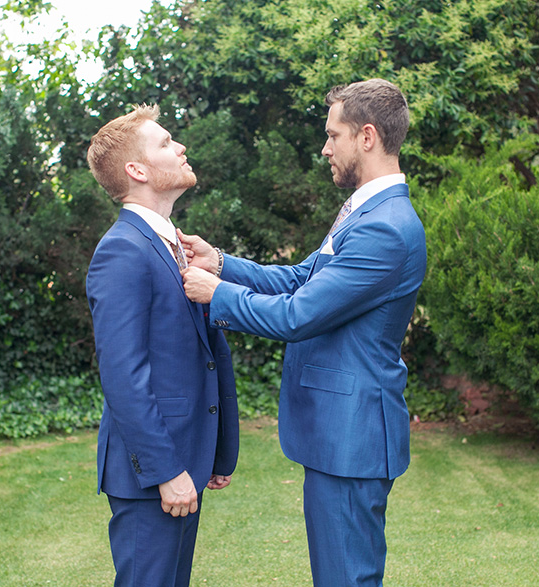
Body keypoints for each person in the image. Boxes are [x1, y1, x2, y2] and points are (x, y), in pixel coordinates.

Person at [180, 79, 426, 587]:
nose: (325, 147)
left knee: (346, 580)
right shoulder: (366, 212)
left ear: (367, 137)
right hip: (341, 433)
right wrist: (222, 263)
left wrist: (215, 293)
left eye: (333, 135)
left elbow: (298, 315)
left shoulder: (386, 227)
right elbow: (300, 279)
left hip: (352, 435)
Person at [85, 104, 239, 587]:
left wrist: (216, 452)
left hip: (187, 458)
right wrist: (166, 471)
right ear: (137, 170)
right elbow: (123, 376)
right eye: (167, 142)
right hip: (154, 472)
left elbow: (204, 354)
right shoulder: (121, 250)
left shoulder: (177, 244)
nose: (181, 147)